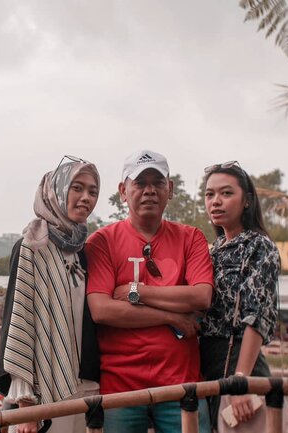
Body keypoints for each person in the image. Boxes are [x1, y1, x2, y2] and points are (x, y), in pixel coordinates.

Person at [86, 149, 214, 433]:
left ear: (170, 189)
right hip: (121, 387)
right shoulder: (102, 242)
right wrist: (172, 318)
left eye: (157, 183)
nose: (149, 191)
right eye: (139, 183)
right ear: (123, 190)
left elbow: (201, 296)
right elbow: (102, 310)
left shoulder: (190, 238)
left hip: (182, 385)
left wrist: (135, 291)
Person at [0, 155, 101, 433]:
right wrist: (27, 410)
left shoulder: (83, 251)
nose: (85, 198)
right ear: (56, 191)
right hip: (43, 395)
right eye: (77, 188)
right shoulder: (31, 247)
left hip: (86, 387)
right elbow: (19, 326)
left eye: (92, 191)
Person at [199, 161, 280, 431]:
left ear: (246, 200)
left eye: (226, 193)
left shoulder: (259, 246)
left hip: (241, 364)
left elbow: (257, 317)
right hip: (208, 368)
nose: (216, 201)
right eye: (210, 194)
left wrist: (241, 380)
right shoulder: (212, 250)